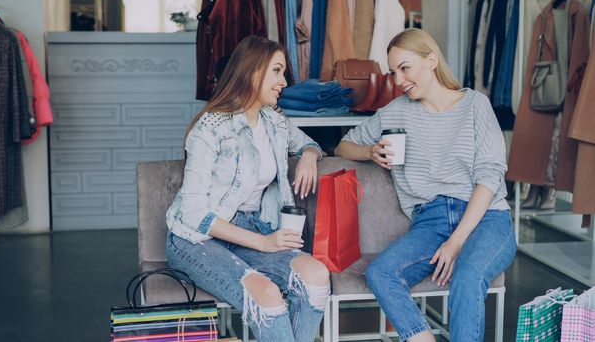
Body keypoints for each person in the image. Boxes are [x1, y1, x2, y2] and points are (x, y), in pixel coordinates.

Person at [334, 28, 516, 342]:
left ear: (431, 60)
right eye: (393, 72)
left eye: (405, 68)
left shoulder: (476, 105)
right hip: (430, 222)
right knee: (381, 273)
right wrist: (369, 152)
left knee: (468, 275)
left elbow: (489, 178)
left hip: (487, 219)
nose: (399, 79)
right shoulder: (395, 112)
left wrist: (457, 242)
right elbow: (343, 146)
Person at [165, 35, 329, 342]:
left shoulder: (274, 121)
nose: (284, 82)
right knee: (266, 294)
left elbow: (308, 143)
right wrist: (264, 243)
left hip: (250, 228)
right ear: (253, 71)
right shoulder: (211, 128)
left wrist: (308, 155)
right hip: (195, 239)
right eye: (277, 71)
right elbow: (193, 212)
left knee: (316, 276)